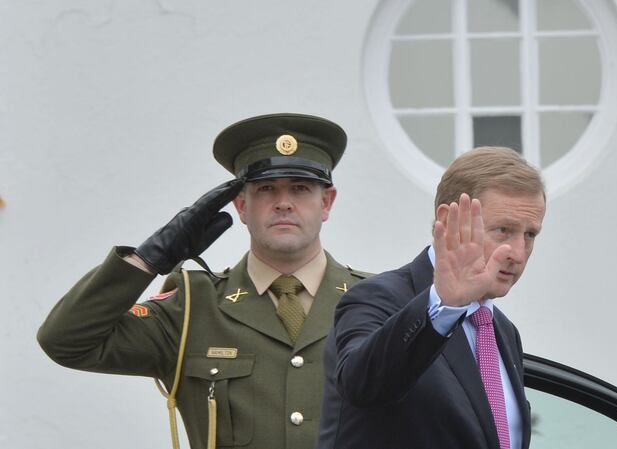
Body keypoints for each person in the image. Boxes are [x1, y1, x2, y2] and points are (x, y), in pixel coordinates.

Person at [38, 113, 369, 449]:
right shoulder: (192, 307)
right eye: (266, 189)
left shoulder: (377, 301)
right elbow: (66, 342)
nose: (284, 203)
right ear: (242, 205)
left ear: (326, 202)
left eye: (300, 188)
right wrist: (148, 259)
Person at [317, 147, 545, 449]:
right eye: (503, 230)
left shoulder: (502, 330)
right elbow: (361, 385)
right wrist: (444, 305)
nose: (518, 253)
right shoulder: (375, 297)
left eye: (530, 235)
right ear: (448, 220)